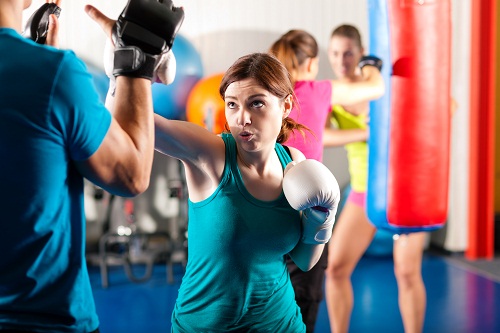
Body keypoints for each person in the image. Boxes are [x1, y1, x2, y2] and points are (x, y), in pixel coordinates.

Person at [0, 0, 183, 332]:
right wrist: (135, 58)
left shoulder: (44, 73)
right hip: (42, 320)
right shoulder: (50, 74)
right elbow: (131, 174)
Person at [154, 52, 340, 332]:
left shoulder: (294, 162)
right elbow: (140, 127)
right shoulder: (212, 154)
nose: (242, 118)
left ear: (286, 105)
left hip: (280, 323)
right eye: (232, 105)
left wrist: (322, 221)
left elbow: (304, 260)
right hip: (205, 326)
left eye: (257, 104)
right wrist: (129, 70)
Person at [268, 29, 384, 333]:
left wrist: (364, 134)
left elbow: (314, 132)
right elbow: (375, 86)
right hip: (305, 210)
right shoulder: (317, 88)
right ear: (312, 63)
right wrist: (370, 62)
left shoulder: (271, 94)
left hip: (263, 207)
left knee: (267, 301)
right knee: (304, 300)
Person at [323, 24, 436, 333]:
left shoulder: (381, 85)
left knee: (407, 272)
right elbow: (319, 133)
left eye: (348, 52)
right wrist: (366, 132)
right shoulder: (331, 93)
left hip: (404, 192)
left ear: (361, 53)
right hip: (363, 192)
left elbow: (444, 107)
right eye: (334, 53)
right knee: (334, 269)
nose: (341, 60)